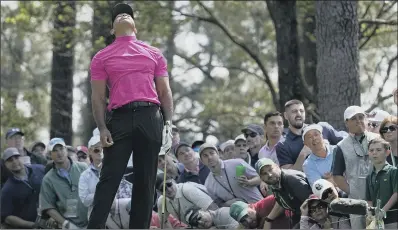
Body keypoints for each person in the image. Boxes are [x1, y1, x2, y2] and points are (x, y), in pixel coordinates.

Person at [87, 3, 174, 229]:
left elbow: (164, 92)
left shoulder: (154, 53)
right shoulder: (101, 57)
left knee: (145, 183)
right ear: (112, 29)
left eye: (127, 13)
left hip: (150, 116)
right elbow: (97, 98)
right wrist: (102, 128)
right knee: (109, 179)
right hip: (119, 119)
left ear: (135, 27)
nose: (123, 15)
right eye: (117, 15)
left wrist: (169, 124)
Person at [332, 105, 379, 229]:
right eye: (353, 118)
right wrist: (352, 191)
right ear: (346, 122)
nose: (358, 120)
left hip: (380, 195)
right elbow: (337, 175)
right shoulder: (341, 146)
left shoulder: (378, 139)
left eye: (361, 117)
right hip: (357, 201)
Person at [255, 158, 313, 229]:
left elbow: (311, 202)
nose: (269, 175)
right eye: (264, 173)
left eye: (270, 169)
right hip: (300, 215)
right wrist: (268, 219)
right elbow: (282, 203)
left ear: (277, 166)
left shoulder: (291, 179)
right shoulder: (274, 184)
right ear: (261, 178)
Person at [0, 148, 50, 229]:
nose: (14, 162)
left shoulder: (40, 169)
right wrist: (33, 225)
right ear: (5, 165)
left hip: (52, 220)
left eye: (16, 157)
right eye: (10, 160)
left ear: (22, 158)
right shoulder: (7, 190)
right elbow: (7, 217)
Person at [366, 138, 398, 229]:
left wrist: (383, 211)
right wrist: (370, 213)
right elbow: (369, 200)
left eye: (378, 150)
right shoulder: (369, 176)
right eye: (371, 150)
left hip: (393, 220)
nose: (374, 153)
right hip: (376, 222)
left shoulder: (394, 171)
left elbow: (396, 193)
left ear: (387, 152)